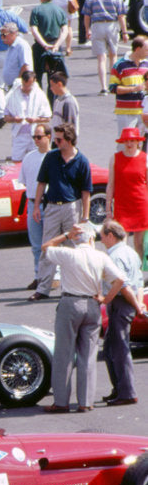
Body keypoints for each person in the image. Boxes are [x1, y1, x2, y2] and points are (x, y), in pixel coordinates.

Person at [41, 222, 124, 414]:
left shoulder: (69, 254)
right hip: (92, 304)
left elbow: (46, 248)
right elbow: (119, 280)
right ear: (90, 238)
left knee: (64, 354)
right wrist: (105, 299)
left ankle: (61, 401)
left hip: (71, 302)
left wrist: (65, 235)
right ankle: (85, 402)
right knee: (88, 355)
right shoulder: (100, 256)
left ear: (76, 238)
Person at [31, 122, 92, 301]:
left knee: (72, 249)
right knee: (48, 247)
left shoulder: (82, 161)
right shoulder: (51, 157)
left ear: (69, 140)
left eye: (58, 139)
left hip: (72, 207)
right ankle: (43, 288)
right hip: (51, 206)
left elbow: (86, 191)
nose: (55, 142)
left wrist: (85, 217)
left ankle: (71, 288)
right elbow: (42, 183)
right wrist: (36, 207)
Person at [100, 220, 146, 406]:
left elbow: (124, 286)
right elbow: (139, 281)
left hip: (121, 303)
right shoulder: (131, 253)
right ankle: (119, 388)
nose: (101, 239)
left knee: (119, 350)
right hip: (128, 302)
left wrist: (136, 305)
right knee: (111, 348)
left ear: (110, 235)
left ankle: (126, 392)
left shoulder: (115, 256)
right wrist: (140, 304)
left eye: (102, 235)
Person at [82, 0, 128, 95]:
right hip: (112, 25)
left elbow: (86, 15)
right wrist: (124, 32)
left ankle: (103, 87)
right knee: (113, 55)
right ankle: (113, 84)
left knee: (101, 58)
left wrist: (87, 29)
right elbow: (121, 16)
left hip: (97, 26)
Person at [105, 127, 148, 258]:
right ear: (122, 142)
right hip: (122, 206)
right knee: (120, 244)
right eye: (126, 141)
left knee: (139, 244)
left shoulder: (144, 158)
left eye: (132, 141)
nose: (129, 144)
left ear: (138, 142)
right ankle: (122, 274)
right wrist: (108, 209)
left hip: (140, 205)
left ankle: (138, 275)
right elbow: (110, 184)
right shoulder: (115, 158)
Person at [19, 122, 52, 289]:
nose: (36, 140)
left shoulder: (55, 156)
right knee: (36, 244)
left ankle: (53, 276)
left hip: (51, 204)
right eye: (34, 137)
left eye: (39, 137)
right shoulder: (29, 157)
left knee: (53, 244)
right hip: (33, 203)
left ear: (49, 137)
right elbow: (25, 182)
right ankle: (39, 276)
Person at [3, 70, 52, 163]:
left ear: (34, 82)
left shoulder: (39, 95)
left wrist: (35, 120)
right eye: (24, 85)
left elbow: (48, 117)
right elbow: (6, 117)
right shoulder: (13, 95)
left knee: (36, 161)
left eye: (29, 85)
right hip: (19, 135)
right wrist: (14, 119)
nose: (26, 88)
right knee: (17, 161)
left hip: (35, 136)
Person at [28, 0, 68, 91]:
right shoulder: (59, 10)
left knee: (37, 77)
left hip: (40, 48)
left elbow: (34, 30)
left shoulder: (36, 10)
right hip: (55, 46)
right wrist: (57, 44)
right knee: (55, 78)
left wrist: (44, 44)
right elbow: (65, 30)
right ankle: (53, 101)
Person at [109, 35, 148, 137]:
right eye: (146, 50)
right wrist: (134, 89)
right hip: (126, 113)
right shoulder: (120, 65)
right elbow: (113, 88)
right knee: (125, 142)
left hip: (144, 111)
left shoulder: (146, 64)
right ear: (138, 49)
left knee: (142, 145)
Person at [1, 22, 33, 88]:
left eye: (4, 35)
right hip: (12, 86)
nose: (2, 37)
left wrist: (18, 85)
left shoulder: (22, 46)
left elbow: (25, 67)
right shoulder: (11, 46)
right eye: (1, 34)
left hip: (19, 87)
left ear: (13, 33)